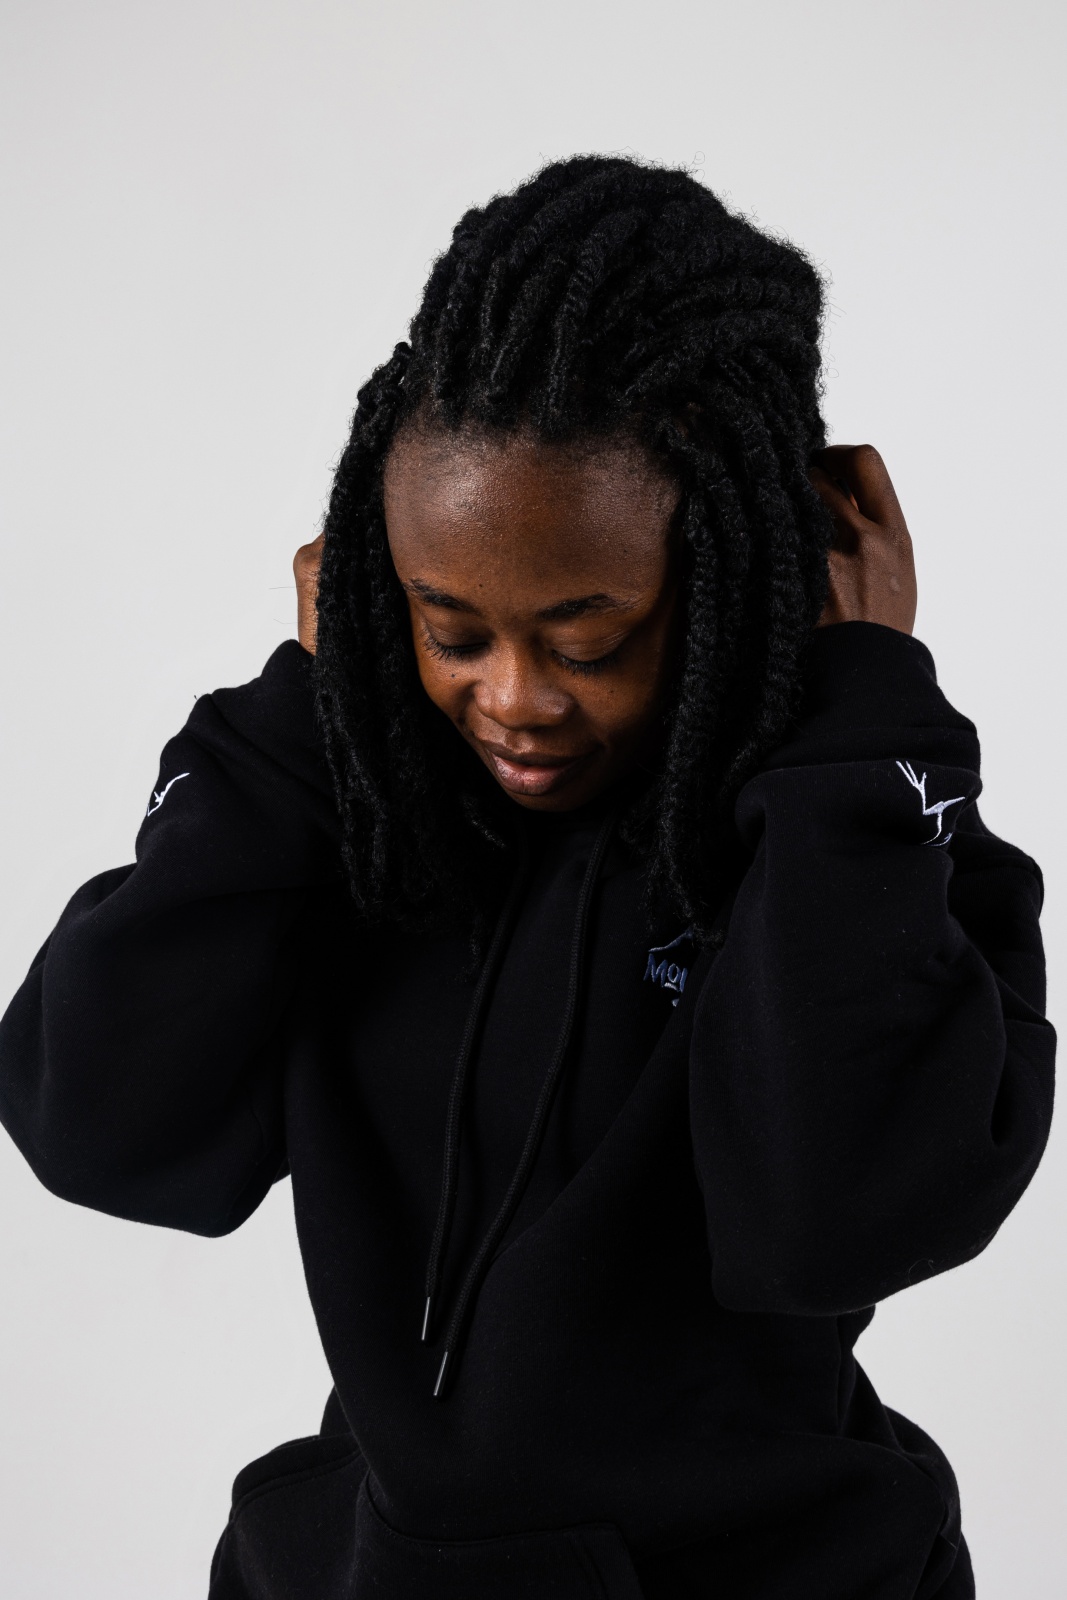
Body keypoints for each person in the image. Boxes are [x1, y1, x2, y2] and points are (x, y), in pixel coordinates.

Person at [0, 156, 1054, 1600]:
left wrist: (858, 731)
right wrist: (307, 719)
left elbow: (837, 1223)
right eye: (450, 629)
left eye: (588, 639)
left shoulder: (864, 836)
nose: (513, 699)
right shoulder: (366, 827)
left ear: (740, 567)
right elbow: (97, 1128)